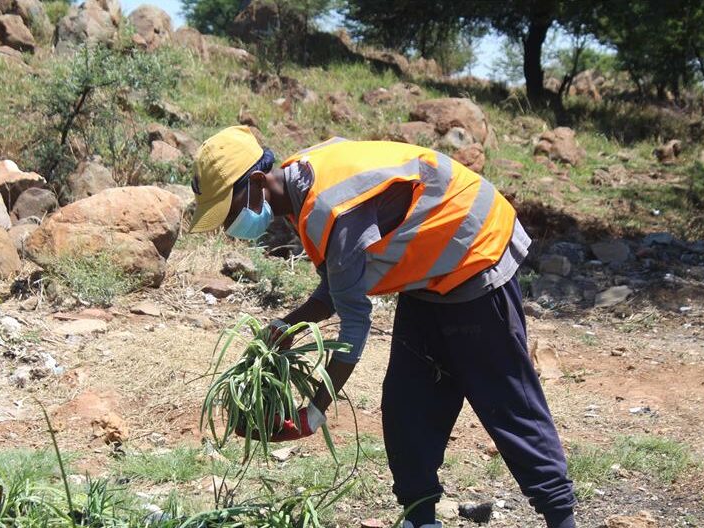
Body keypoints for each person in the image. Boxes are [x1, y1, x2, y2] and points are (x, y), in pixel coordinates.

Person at [188, 126, 577, 528]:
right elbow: (340, 283)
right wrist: (283, 328)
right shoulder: (301, 180)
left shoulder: (332, 207)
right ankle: (420, 517)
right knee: (407, 404)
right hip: (427, 273)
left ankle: (560, 517)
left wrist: (314, 413)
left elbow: (354, 326)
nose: (229, 224)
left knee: (506, 401)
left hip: (476, 254)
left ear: (255, 183)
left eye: (230, 211)